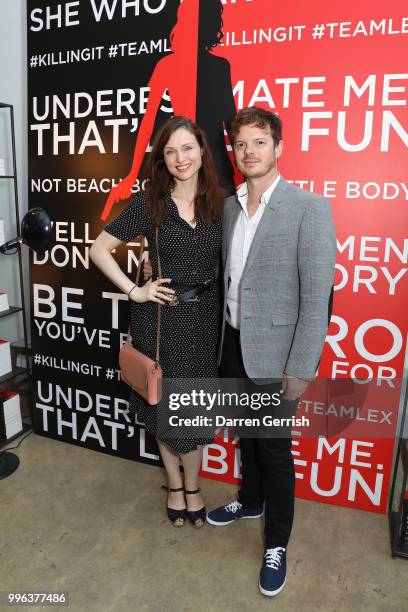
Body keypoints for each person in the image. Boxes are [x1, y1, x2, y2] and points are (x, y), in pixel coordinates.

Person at [206, 107, 336, 596]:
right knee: (248, 436)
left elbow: (317, 295)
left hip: (281, 355)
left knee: (275, 450)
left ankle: (276, 542)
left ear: (278, 148)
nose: (248, 152)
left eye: (259, 142)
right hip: (234, 343)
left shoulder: (309, 208)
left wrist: (301, 366)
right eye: (240, 144)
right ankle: (250, 499)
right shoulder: (228, 206)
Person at [90, 116, 225, 528]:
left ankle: (194, 485)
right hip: (162, 320)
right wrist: (136, 291)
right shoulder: (152, 203)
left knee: (194, 412)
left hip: (205, 321)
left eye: (187, 148)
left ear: (202, 151)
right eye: (170, 151)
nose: (180, 158)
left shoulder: (224, 202)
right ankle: (176, 485)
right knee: (165, 408)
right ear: (162, 161)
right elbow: (98, 250)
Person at [100, 0, 236, 222]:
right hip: (185, 171)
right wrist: (131, 176)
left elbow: (232, 126)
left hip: (219, 174)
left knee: (222, 245)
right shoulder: (168, 65)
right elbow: (148, 121)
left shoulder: (220, 66)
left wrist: (246, 178)